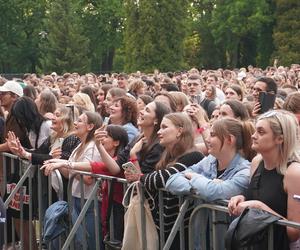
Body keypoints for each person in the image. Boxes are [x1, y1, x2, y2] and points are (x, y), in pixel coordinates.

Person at [166, 117, 254, 250]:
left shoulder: (245, 171)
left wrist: (196, 179)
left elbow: (215, 192)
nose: (207, 139)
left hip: (226, 243)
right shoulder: (210, 160)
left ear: (230, 140)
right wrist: (202, 187)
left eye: (212, 135)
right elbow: (172, 180)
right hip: (200, 241)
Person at [125, 112, 204, 249]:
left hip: (181, 229)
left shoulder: (194, 156)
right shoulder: (167, 156)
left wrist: (140, 177)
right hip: (164, 225)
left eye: (164, 127)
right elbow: (150, 181)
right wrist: (136, 164)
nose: (159, 132)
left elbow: (161, 178)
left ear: (179, 131)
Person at [228, 110, 300, 250]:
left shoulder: (294, 173)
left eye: (261, 132)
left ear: (280, 138)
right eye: (255, 131)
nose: (253, 136)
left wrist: (259, 207)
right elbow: (261, 196)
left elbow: (294, 231)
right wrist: (242, 198)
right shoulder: (256, 162)